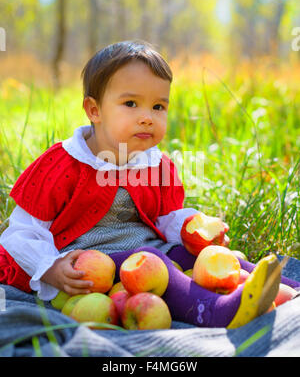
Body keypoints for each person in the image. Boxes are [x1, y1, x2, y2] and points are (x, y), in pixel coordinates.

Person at [0, 40, 298, 329]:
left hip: (144, 251)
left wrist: (190, 227)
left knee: (195, 257)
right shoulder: (63, 165)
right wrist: (50, 268)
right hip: (86, 267)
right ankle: (216, 312)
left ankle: (280, 287)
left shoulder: (156, 164)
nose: (147, 118)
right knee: (154, 264)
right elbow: (20, 233)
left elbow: (165, 217)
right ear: (94, 110)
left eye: (158, 106)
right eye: (131, 103)